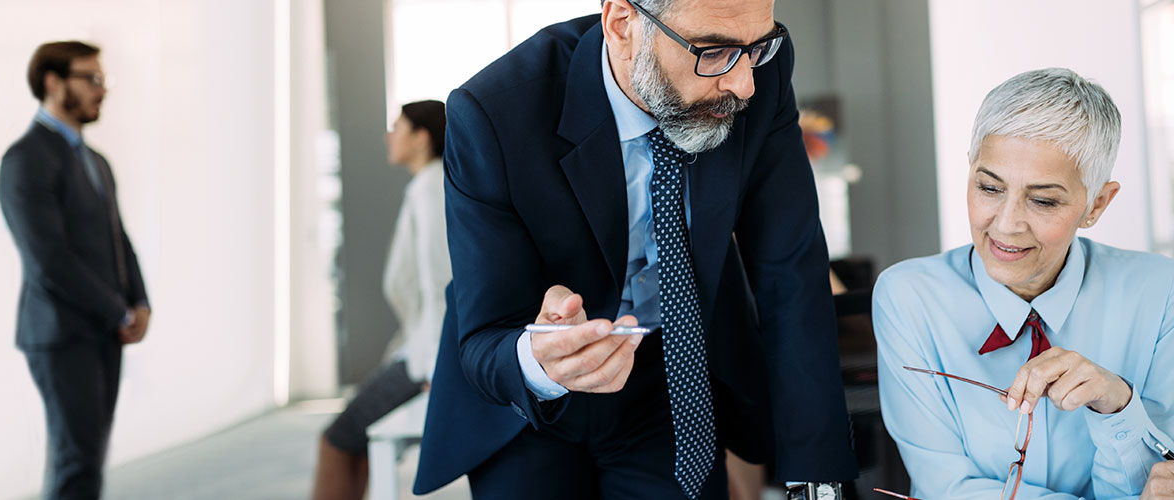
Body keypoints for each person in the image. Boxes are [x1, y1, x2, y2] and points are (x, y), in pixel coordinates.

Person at [413, 0, 858, 498]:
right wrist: (544, 360)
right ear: (622, 24)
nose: (743, 84)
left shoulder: (757, 72)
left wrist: (816, 478)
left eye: (757, 48)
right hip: (530, 404)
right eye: (713, 52)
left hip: (671, 378)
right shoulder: (494, 112)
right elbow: (486, 329)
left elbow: (791, 274)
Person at [873, 68, 1174, 500]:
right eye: (989, 187)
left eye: (1043, 200)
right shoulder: (908, 297)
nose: (1006, 224)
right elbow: (946, 488)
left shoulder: (1160, 291)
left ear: (1097, 205)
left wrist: (1118, 406)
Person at [0, 40, 150, 500]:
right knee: (76, 463)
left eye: (104, 80)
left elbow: (118, 239)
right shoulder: (26, 159)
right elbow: (49, 260)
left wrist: (140, 301)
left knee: (89, 459)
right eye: (91, 79)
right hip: (61, 334)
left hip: (103, 330)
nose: (102, 90)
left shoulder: (95, 161)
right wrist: (118, 312)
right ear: (53, 82)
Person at [311, 99, 451, 500]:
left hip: (425, 359)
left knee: (336, 441)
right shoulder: (428, 186)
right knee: (355, 447)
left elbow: (440, 283)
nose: (389, 137)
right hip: (419, 351)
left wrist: (434, 367)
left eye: (397, 128)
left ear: (421, 138)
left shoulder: (430, 190)